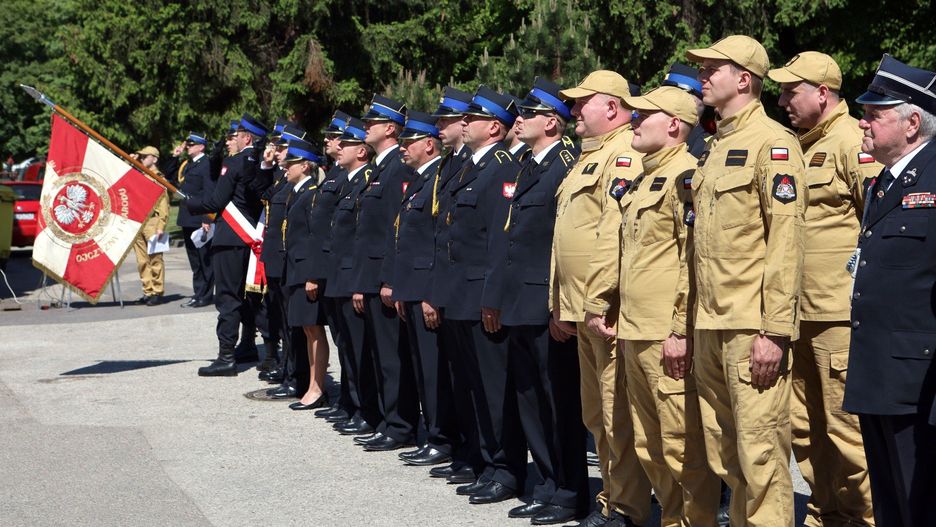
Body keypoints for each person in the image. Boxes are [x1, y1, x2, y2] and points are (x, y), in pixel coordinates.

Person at [685, 35, 807, 525]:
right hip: (711, 324)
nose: (704, 75)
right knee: (727, 458)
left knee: (761, 459)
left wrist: (774, 330)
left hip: (751, 328)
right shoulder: (718, 147)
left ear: (745, 79)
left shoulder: (774, 143)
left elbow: (786, 242)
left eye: (714, 67)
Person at [767, 51, 880, 526]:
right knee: (805, 430)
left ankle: (869, 517)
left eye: (791, 91)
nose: (781, 100)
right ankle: (825, 514)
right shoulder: (801, 144)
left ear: (822, 93)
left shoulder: (851, 141)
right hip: (799, 313)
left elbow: (878, 222)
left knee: (846, 431)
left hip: (838, 316)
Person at [616, 86, 722, 526]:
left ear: (674, 125)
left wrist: (680, 330)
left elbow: (690, 261)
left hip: (664, 334)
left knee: (682, 447)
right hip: (633, 329)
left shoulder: (686, 177)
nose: (634, 122)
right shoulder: (647, 177)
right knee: (649, 445)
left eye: (644, 116)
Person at [486, 77, 589, 525]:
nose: (519, 119)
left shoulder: (565, 164)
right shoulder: (526, 164)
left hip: (547, 304)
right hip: (519, 301)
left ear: (553, 121)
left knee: (558, 401)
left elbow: (563, 243)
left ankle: (570, 491)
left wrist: (561, 305)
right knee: (530, 397)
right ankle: (546, 483)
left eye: (528, 113)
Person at [552, 70, 650, 527]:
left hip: (603, 310)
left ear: (611, 107)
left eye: (581, 103)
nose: (572, 111)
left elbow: (614, 234)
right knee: (597, 413)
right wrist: (561, 303)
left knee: (615, 413)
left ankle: (627, 508)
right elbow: (568, 238)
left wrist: (600, 300)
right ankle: (612, 500)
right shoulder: (588, 157)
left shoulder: (625, 154)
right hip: (580, 308)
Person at [844, 54, 936, 527]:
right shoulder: (885, 181)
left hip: (917, 379)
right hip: (878, 370)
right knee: (889, 505)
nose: (863, 122)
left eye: (875, 114)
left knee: (919, 502)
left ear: (912, 122)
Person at [349, 95, 419, 453]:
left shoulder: (396, 169)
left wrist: (390, 279)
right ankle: (390, 420)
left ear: (390, 128)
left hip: (385, 278)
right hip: (373, 276)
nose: (365, 127)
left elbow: (396, 229)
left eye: (371, 122)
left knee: (393, 357)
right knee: (381, 354)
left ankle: (400, 424)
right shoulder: (380, 167)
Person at [384, 111, 453, 466]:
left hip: (427, 290)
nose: (402, 149)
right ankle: (434, 433)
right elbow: (405, 241)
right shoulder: (417, 180)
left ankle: (442, 437)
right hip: (411, 289)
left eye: (409, 142)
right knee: (421, 366)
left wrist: (427, 293)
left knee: (433, 369)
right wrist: (401, 290)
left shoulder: (438, 178)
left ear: (429, 144)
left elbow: (434, 243)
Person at [424, 87, 481, 485]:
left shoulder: (484, 164)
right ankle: (467, 454)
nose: (439, 127)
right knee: (460, 380)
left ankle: (483, 459)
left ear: (466, 123)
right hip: (451, 286)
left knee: (478, 384)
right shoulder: (453, 164)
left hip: (472, 290)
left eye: (446, 120)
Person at [185, 113, 268, 377]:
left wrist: (189, 202)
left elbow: (215, 202)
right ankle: (251, 347)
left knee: (228, 298)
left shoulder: (234, 164)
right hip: (251, 237)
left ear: (246, 137)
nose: (230, 140)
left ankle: (226, 356)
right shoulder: (260, 162)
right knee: (251, 296)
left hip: (232, 237)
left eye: (234, 136)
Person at [325, 118, 380, 436]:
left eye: (345, 144)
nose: (338, 148)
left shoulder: (366, 180)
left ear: (361, 150)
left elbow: (363, 237)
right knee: (347, 346)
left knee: (361, 349)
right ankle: (355, 403)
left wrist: (360, 281)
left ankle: (366, 409)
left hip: (353, 277)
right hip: (341, 276)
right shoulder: (347, 181)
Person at [279, 138, 331, 410]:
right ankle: (313, 384)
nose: (284, 167)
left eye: (290, 163)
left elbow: (315, 236)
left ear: (305, 166)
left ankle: (317, 386)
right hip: (296, 270)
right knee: (307, 330)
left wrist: (313, 275)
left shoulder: (312, 192)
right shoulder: (297, 191)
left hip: (305, 272)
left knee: (313, 330)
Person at [313, 111, 356, 422]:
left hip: (344, 270)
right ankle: (349, 402)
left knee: (353, 345)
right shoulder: (334, 174)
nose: (328, 141)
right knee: (345, 342)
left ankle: (356, 404)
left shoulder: (348, 176)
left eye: (334, 136)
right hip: (332, 268)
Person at [174, 133, 216, 308]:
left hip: (199, 219)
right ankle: (198, 292)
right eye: (188, 145)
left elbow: (210, 192)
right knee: (194, 260)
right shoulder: (188, 164)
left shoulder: (206, 164)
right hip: (187, 217)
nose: (188, 147)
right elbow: (171, 179)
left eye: (192, 145)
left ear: (201, 146)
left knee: (204, 258)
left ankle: (205, 295)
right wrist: (174, 156)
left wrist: (207, 218)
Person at [131, 146, 169, 306]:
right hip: (138, 221)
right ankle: (148, 290)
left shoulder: (159, 178)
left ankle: (157, 292)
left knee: (155, 259)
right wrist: (132, 158)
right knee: (141, 260)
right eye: (140, 156)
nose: (141, 159)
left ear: (154, 159)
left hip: (153, 222)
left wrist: (161, 225)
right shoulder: (137, 174)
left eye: (145, 156)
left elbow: (164, 205)